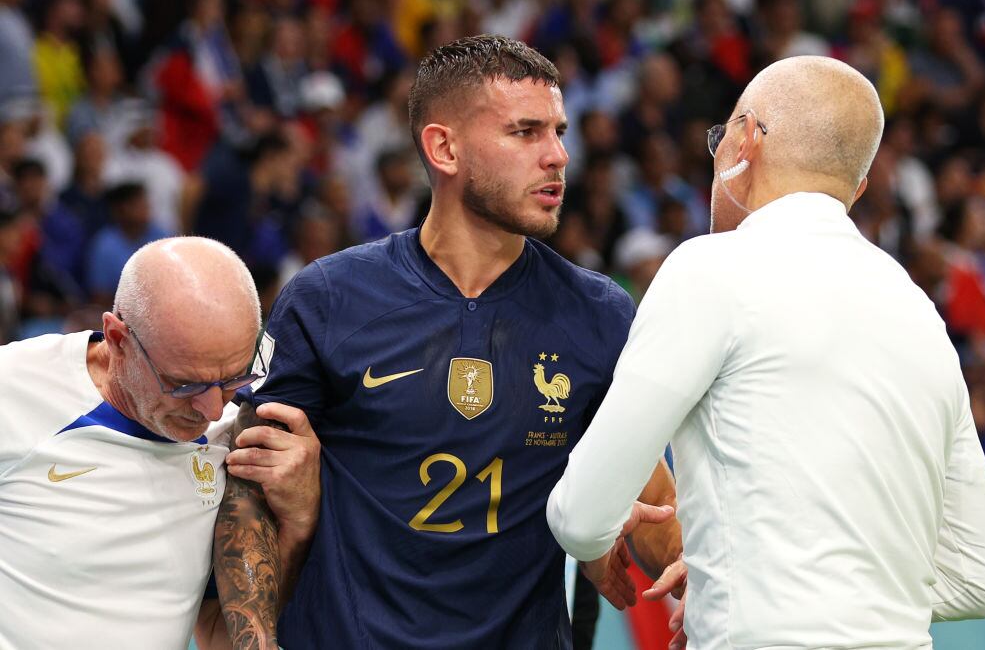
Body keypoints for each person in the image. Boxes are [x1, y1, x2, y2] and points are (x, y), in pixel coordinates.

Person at [213, 34, 681, 649]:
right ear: (444, 148)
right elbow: (246, 492)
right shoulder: (327, 298)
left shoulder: (600, 313)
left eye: (559, 132)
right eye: (525, 132)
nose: (558, 156)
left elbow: (654, 503)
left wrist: (700, 576)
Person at [547, 56, 985, 649]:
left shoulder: (709, 270)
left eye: (721, 136)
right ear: (857, 188)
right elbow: (974, 579)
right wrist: (809, 588)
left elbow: (583, 517)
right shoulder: (919, 311)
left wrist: (735, 581)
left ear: (745, 141)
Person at [0, 237, 318, 649]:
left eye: (234, 378)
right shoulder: (15, 388)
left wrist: (299, 520)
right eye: (185, 385)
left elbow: (218, 634)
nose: (211, 409)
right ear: (117, 339)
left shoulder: (236, 435)